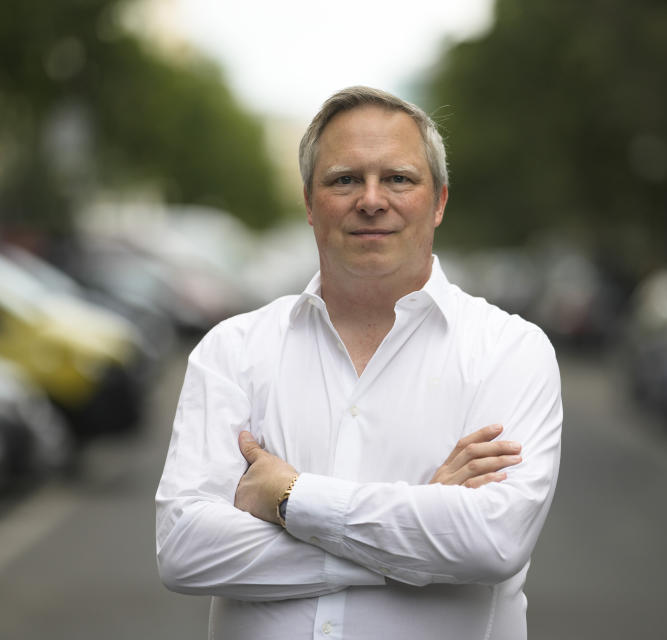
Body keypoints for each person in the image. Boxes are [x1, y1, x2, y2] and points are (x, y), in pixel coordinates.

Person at [155, 86, 563, 640]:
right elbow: (185, 549)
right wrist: (416, 539)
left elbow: (493, 542)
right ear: (308, 201)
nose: (372, 200)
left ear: (439, 200)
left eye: (398, 178)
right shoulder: (234, 349)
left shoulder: (511, 350)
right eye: (344, 179)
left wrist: (290, 496)